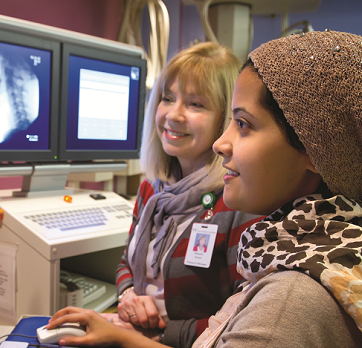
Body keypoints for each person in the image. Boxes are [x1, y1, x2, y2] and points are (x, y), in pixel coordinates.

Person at [47, 30, 362, 348]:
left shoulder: (290, 300)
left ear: (318, 151)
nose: (220, 143)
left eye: (243, 124)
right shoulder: (308, 247)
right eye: (167, 97)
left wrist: (144, 334)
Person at [112, 41, 264, 348]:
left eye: (195, 104)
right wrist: (128, 295)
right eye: (168, 98)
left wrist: (161, 333)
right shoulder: (152, 189)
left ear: (225, 118)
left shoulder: (237, 200)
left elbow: (242, 314)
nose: (174, 115)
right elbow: (126, 262)